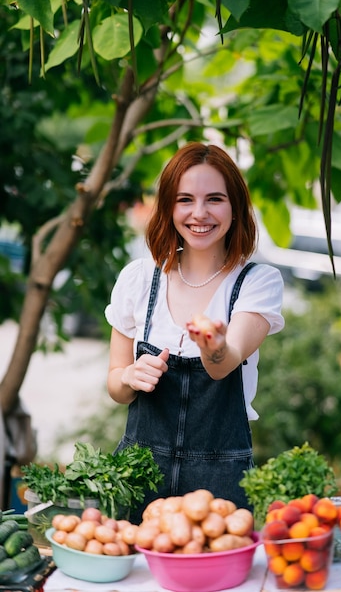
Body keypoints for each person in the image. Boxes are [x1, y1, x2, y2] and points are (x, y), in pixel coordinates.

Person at [105, 142, 284, 522]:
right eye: (185, 199)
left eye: (215, 199)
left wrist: (215, 346)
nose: (199, 213)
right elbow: (115, 387)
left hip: (218, 492)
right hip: (137, 477)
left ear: (235, 207)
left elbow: (224, 364)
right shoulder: (139, 279)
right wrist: (129, 375)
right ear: (169, 207)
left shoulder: (256, 283)